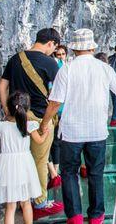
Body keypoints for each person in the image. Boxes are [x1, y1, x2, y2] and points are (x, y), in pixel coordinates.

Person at [40, 29, 116, 224]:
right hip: (96, 131)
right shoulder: (104, 68)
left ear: (74, 49)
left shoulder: (66, 69)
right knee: (95, 173)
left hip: (71, 132)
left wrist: (44, 123)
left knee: (69, 173)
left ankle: (75, 217)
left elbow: (55, 102)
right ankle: (96, 216)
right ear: (92, 47)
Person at [0, 28, 64, 219]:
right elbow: (57, 95)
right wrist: (46, 122)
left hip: (16, 117)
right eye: (54, 47)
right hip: (38, 118)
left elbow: (2, 86)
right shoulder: (50, 63)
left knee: (19, 159)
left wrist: (8, 111)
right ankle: (40, 202)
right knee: (39, 161)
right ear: (51, 43)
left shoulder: (15, 58)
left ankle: (21, 200)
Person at [0, 91, 49, 224]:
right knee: (26, 202)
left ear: (8, 108)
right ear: (27, 109)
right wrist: (45, 133)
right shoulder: (28, 125)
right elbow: (40, 141)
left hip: (7, 166)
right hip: (24, 165)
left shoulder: (1, 126)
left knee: (11, 206)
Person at [47, 44, 68, 189]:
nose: (60, 57)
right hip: (55, 110)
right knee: (53, 140)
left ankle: (56, 169)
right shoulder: (53, 69)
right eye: (58, 54)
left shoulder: (68, 68)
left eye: (62, 54)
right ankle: (54, 170)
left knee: (59, 140)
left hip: (65, 110)